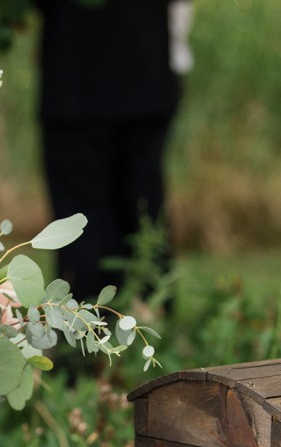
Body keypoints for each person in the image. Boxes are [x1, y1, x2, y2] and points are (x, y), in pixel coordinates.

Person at [37, 0, 192, 302]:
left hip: (76, 75)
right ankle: (147, 319)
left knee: (86, 214)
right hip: (142, 69)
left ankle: (87, 326)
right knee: (142, 205)